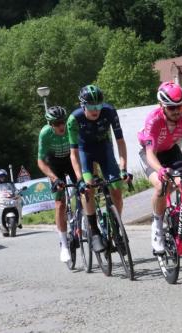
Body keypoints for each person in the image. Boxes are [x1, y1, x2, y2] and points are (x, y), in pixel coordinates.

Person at [137, 82, 182, 255]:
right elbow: (150, 154)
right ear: (161, 106)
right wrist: (161, 170)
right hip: (151, 154)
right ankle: (157, 228)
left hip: (171, 150)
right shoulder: (153, 119)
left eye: (179, 106)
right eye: (171, 108)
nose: (177, 111)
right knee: (162, 185)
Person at [67, 84, 128, 253]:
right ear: (83, 105)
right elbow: (73, 154)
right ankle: (94, 232)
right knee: (87, 189)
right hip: (84, 151)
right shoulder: (74, 119)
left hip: (104, 148)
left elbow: (120, 142)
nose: (96, 110)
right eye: (91, 107)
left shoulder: (109, 111)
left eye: (98, 106)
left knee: (116, 188)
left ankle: (116, 227)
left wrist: (123, 168)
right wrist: (79, 179)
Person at [37, 106, 77, 263]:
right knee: (60, 203)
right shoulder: (45, 133)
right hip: (54, 165)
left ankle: (84, 222)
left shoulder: (70, 128)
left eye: (63, 122)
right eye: (57, 123)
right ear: (50, 124)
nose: (61, 126)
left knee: (85, 189)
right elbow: (40, 161)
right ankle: (64, 245)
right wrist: (54, 179)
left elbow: (80, 151)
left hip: (70, 160)